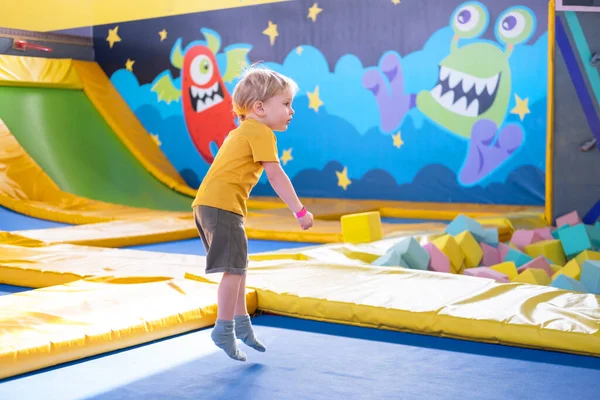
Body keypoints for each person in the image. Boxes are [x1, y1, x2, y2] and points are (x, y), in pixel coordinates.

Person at [192, 64, 314, 361]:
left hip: (208, 205)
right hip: (222, 207)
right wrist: (300, 211)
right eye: (286, 104)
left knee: (238, 267)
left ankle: (242, 324)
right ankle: (223, 328)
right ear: (259, 108)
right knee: (233, 271)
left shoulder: (241, 131)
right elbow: (276, 176)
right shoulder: (261, 132)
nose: (291, 111)